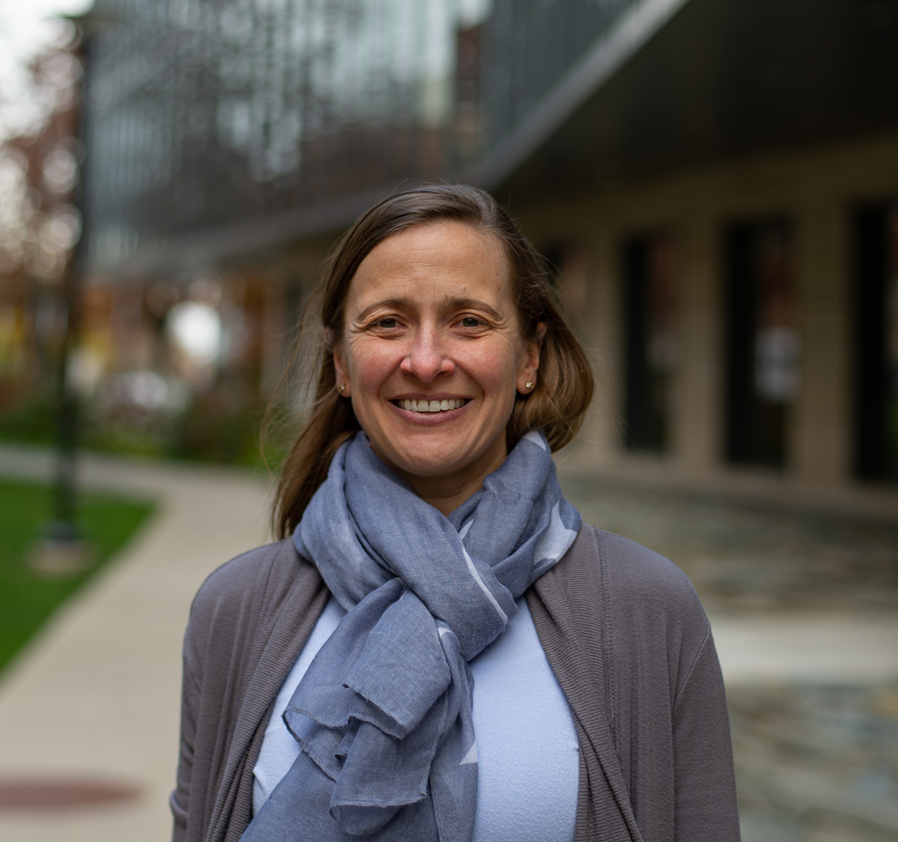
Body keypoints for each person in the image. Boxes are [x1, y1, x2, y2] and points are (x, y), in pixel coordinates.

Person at [170, 185, 739, 842]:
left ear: (528, 357)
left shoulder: (646, 610)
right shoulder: (235, 611)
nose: (427, 360)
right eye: (387, 322)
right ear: (342, 366)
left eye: (469, 320)